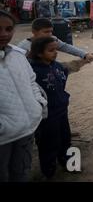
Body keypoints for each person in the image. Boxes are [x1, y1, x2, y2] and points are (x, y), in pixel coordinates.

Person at [28, 36, 88, 179]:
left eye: (56, 49)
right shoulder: (32, 71)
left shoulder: (57, 66)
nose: (55, 53)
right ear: (39, 53)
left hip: (62, 111)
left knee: (65, 139)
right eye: (51, 50)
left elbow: (66, 74)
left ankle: (70, 164)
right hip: (46, 116)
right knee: (48, 144)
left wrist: (86, 59)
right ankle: (49, 172)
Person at [0, 10, 47, 182]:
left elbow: (32, 81)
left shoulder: (18, 55)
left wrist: (38, 105)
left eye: (8, 28)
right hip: (3, 137)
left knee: (21, 173)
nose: (4, 34)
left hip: (27, 130)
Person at [16, 17, 93, 62]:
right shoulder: (23, 48)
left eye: (51, 31)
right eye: (46, 32)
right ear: (34, 31)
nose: (49, 34)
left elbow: (66, 47)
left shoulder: (52, 40)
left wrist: (85, 54)